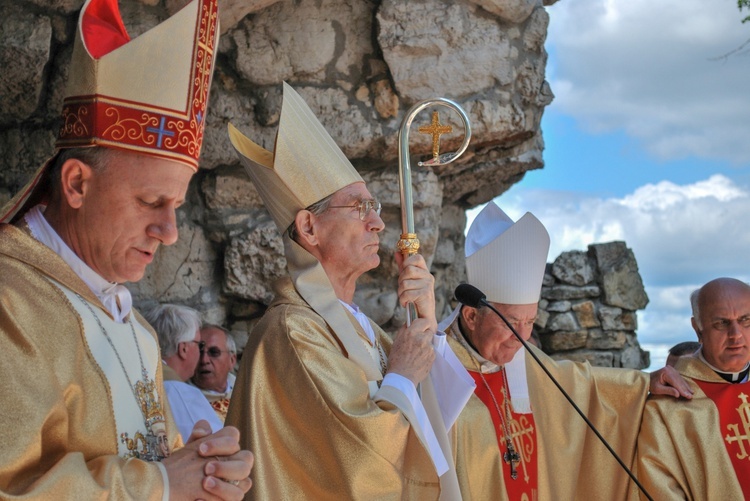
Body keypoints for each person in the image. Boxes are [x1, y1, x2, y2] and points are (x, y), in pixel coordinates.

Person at [0, 0, 252, 498]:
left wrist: (201, 468)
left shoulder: (134, 329)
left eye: (177, 204)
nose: (170, 230)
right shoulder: (10, 301)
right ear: (76, 184)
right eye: (152, 201)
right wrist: (158, 482)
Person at [225, 82, 475, 499]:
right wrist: (402, 374)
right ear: (309, 228)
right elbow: (359, 458)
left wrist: (428, 323)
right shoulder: (292, 331)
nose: (377, 223)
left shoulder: (364, 329)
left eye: (374, 208)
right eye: (360, 208)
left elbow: (440, 433)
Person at [439, 201, 692, 500]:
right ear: (471, 316)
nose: (521, 339)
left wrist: (644, 384)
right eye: (511, 322)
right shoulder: (437, 368)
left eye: (530, 322)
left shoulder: (523, 363)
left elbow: (580, 384)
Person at [636, 277, 750, 499]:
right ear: (698, 328)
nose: (736, 335)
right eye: (722, 323)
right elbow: (660, 489)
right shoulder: (668, 406)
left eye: (746, 320)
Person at [143, 303, 224, 439]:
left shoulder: (134, 380)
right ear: (184, 349)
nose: (202, 356)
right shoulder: (180, 393)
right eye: (200, 345)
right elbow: (216, 446)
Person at [192, 324, 238, 422]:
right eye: (199, 352)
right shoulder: (181, 399)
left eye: (214, 352)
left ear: (232, 360)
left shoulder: (246, 394)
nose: (204, 360)